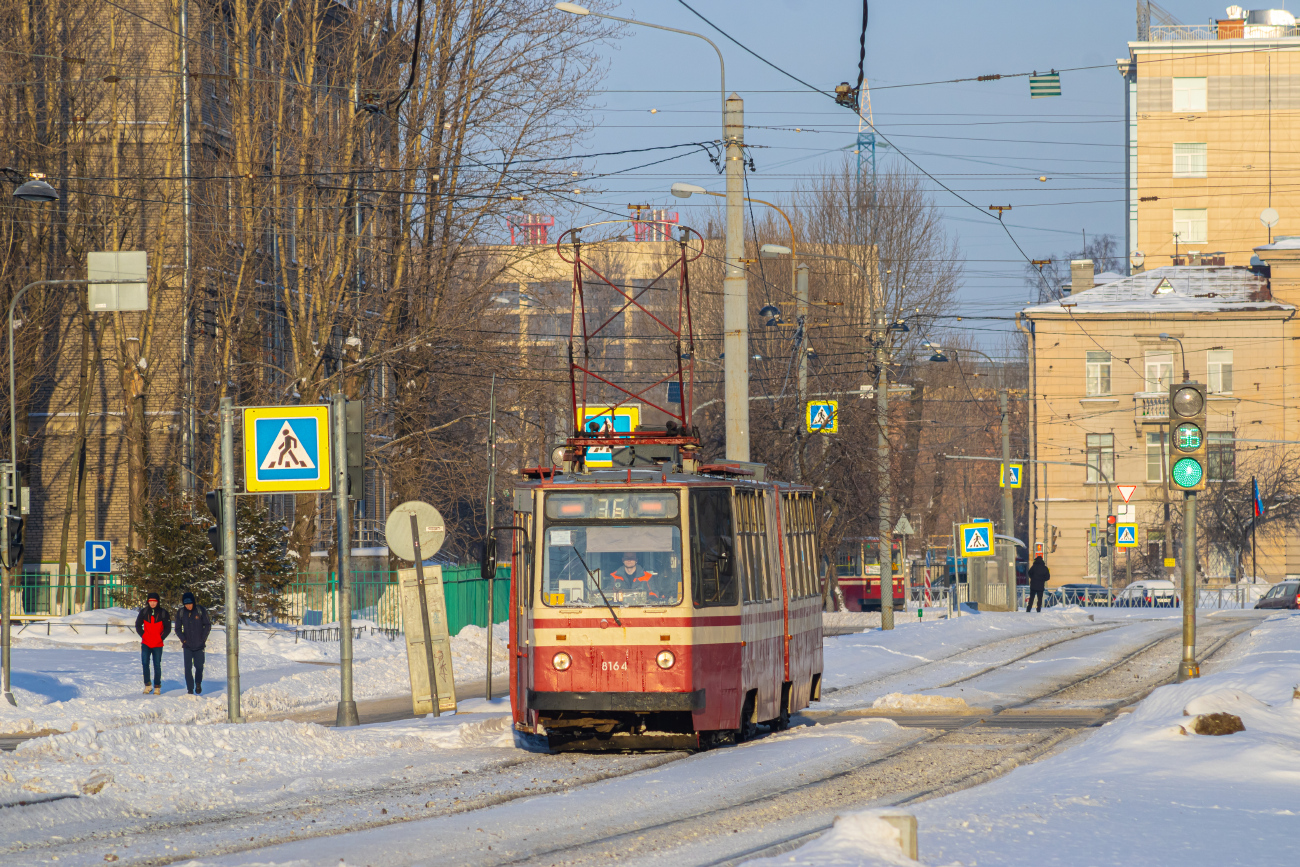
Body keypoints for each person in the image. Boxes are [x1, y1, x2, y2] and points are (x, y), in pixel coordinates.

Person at [174, 592, 212, 695]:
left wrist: (202, 639)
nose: (188, 606)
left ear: (193, 603)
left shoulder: (200, 610)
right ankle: (190, 689)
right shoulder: (181, 612)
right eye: (186, 604)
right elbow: (177, 628)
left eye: (190, 604)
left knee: (199, 666)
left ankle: (198, 683)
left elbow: (207, 625)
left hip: (199, 645)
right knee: (188, 668)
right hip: (187, 645)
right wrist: (183, 639)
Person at [135, 592, 171, 694]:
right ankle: (147, 685)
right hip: (146, 643)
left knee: (157, 665)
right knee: (145, 663)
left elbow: (168, 628)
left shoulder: (163, 613)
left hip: (158, 644)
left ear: (158, 602)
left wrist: (161, 637)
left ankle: (157, 687)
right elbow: (138, 625)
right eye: (151, 601)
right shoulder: (144, 612)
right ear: (148, 602)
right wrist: (144, 635)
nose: (152, 603)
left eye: (154, 601)